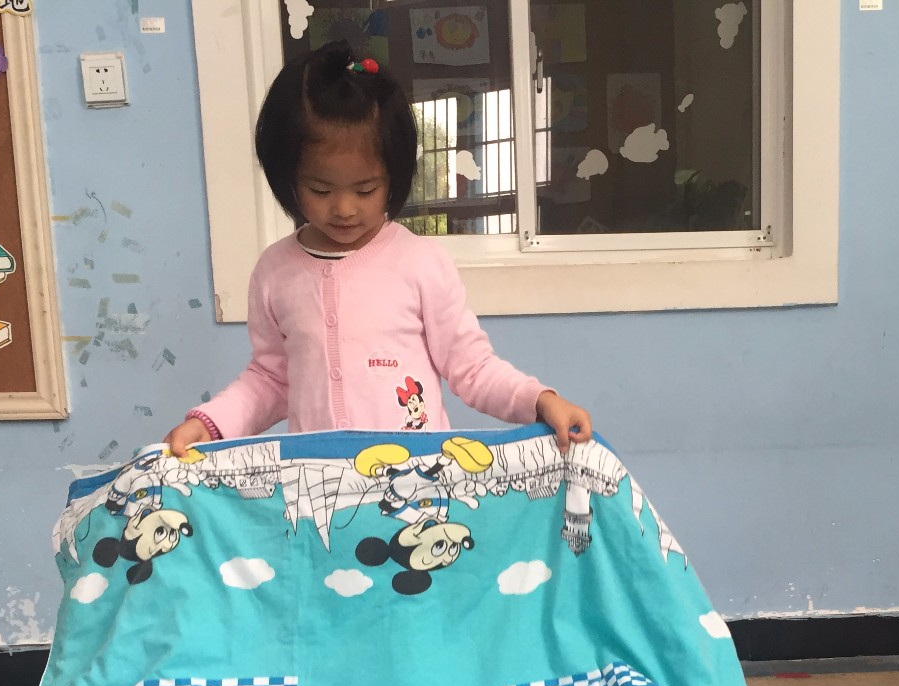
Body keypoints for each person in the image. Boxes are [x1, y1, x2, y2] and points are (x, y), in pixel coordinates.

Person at [165, 43, 591, 456]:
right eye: (320, 189)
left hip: (418, 480)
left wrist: (539, 400)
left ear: (394, 176)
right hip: (318, 484)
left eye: (366, 189)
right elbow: (271, 379)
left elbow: (473, 367)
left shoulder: (420, 264)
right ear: (287, 177)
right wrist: (209, 423)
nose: (344, 208)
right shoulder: (274, 271)